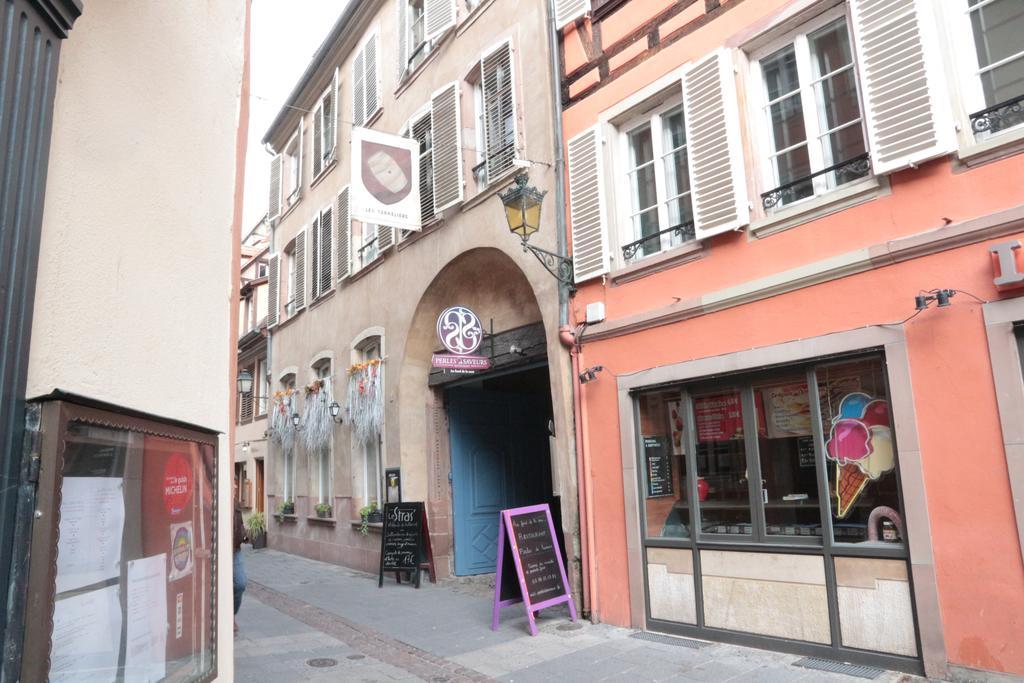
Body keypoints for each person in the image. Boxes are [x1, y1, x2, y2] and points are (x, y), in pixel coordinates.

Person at [233, 479, 247, 633]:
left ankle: (231, 614)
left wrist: (244, 534)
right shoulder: (218, 500)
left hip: (235, 551)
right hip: (220, 552)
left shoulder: (235, 503)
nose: (236, 486)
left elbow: (240, 523)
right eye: (234, 483)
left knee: (240, 583)